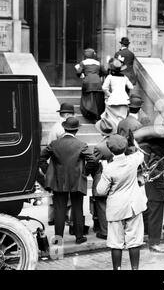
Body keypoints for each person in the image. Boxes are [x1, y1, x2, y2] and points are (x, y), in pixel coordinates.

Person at [39, 117, 95, 245]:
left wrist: (48, 172)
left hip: (58, 181)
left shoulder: (55, 144)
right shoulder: (81, 145)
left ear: (64, 129)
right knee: (78, 209)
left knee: (59, 210)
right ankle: (79, 237)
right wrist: (85, 173)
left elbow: (41, 158)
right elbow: (92, 160)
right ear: (76, 130)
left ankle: (58, 239)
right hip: (77, 181)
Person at [96, 135, 147, 270]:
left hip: (116, 208)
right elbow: (140, 153)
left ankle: (117, 268)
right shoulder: (133, 160)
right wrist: (133, 143)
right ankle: (135, 268)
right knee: (134, 241)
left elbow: (100, 190)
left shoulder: (108, 168)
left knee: (116, 242)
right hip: (133, 206)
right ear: (125, 148)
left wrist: (103, 170)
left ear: (110, 150)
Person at [46, 103, 75, 226]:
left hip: (54, 163)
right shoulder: (62, 128)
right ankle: (63, 217)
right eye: (72, 114)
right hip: (61, 164)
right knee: (64, 193)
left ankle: (52, 217)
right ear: (68, 114)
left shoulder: (56, 127)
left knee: (54, 193)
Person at [91, 118, 118, 240]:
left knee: (102, 206)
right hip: (118, 176)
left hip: (103, 177)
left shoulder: (99, 146)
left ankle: (105, 231)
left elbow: (93, 163)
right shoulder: (119, 142)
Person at [141, 143, 164, 253]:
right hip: (156, 190)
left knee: (150, 213)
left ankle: (148, 236)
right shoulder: (156, 156)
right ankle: (154, 243)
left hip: (154, 190)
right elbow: (150, 172)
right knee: (156, 217)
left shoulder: (149, 152)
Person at [101, 58, 134, 127]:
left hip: (113, 99)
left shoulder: (110, 77)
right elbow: (131, 87)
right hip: (124, 100)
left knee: (112, 119)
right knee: (122, 118)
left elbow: (104, 88)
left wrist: (109, 94)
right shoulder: (124, 77)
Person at [75, 48, 106, 121]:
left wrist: (81, 75)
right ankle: (97, 115)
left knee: (87, 98)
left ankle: (89, 113)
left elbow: (79, 72)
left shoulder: (83, 63)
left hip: (87, 82)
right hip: (98, 82)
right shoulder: (98, 63)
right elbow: (104, 72)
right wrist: (98, 75)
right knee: (98, 99)